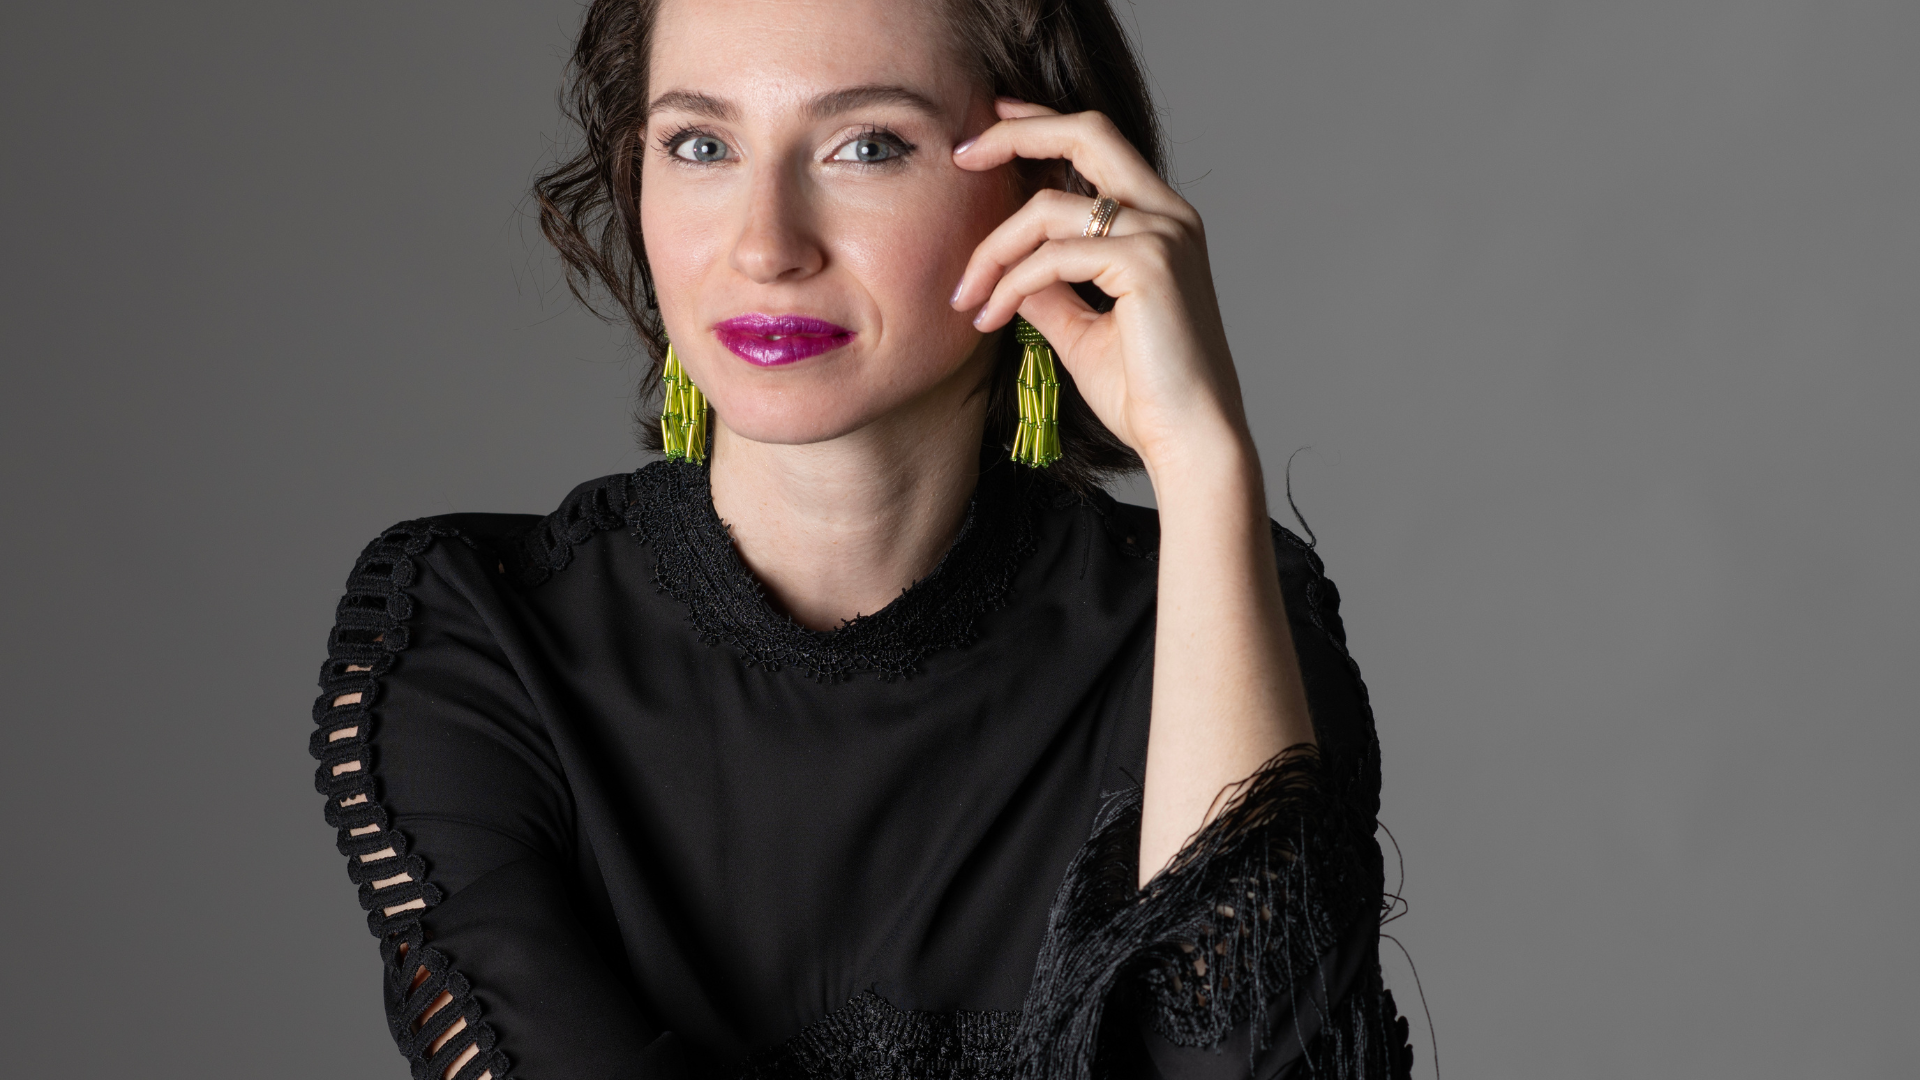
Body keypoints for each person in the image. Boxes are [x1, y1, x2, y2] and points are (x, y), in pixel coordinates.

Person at [308, 0, 1413, 1077]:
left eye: (866, 146)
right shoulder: (471, 632)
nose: (765, 246)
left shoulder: (1215, 616)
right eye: (701, 144)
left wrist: (1205, 460)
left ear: (1048, 191)